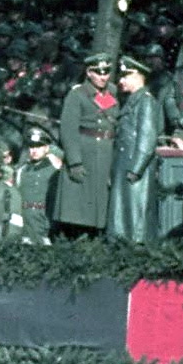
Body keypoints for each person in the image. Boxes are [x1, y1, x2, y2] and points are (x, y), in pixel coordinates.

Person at [55, 54, 118, 235]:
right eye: (98, 72)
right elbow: (68, 130)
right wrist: (75, 161)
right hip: (85, 152)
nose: (103, 76)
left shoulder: (112, 92)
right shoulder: (77, 94)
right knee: (79, 206)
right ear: (89, 72)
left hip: (105, 153)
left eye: (106, 72)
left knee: (99, 202)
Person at [107, 56, 162, 243]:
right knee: (123, 213)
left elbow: (147, 138)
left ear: (138, 76)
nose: (121, 81)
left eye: (125, 76)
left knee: (135, 216)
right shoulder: (133, 100)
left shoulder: (145, 101)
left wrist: (136, 169)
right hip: (126, 164)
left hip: (134, 168)